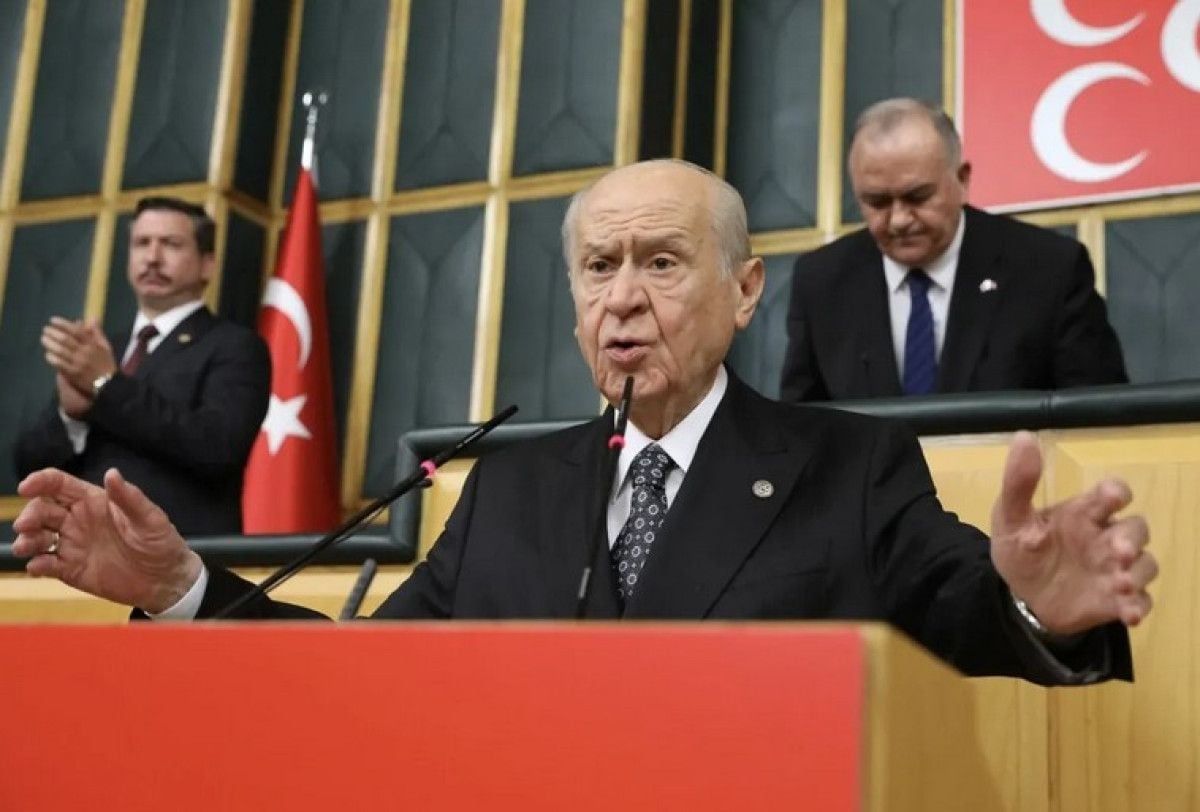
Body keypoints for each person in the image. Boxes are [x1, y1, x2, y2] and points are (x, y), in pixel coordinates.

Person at [12, 161, 1155, 685]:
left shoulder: (849, 462)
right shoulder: (507, 486)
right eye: (599, 267)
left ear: (744, 290)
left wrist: (1032, 602)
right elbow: (361, 675)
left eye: (661, 261)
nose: (623, 299)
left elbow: (960, 606)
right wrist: (181, 588)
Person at [779, 98, 1128, 402]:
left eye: (918, 197)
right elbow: (800, 428)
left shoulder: (1049, 269)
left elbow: (1101, 416)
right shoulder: (822, 283)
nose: (899, 220)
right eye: (877, 202)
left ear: (962, 180)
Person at [13, 197, 270, 535]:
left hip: (180, 549)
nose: (152, 257)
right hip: (86, 549)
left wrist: (107, 384)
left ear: (207, 264)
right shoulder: (106, 349)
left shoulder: (234, 346)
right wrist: (70, 417)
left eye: (171, 244)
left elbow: (217, 448)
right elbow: (30, 470)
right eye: (142, 243)